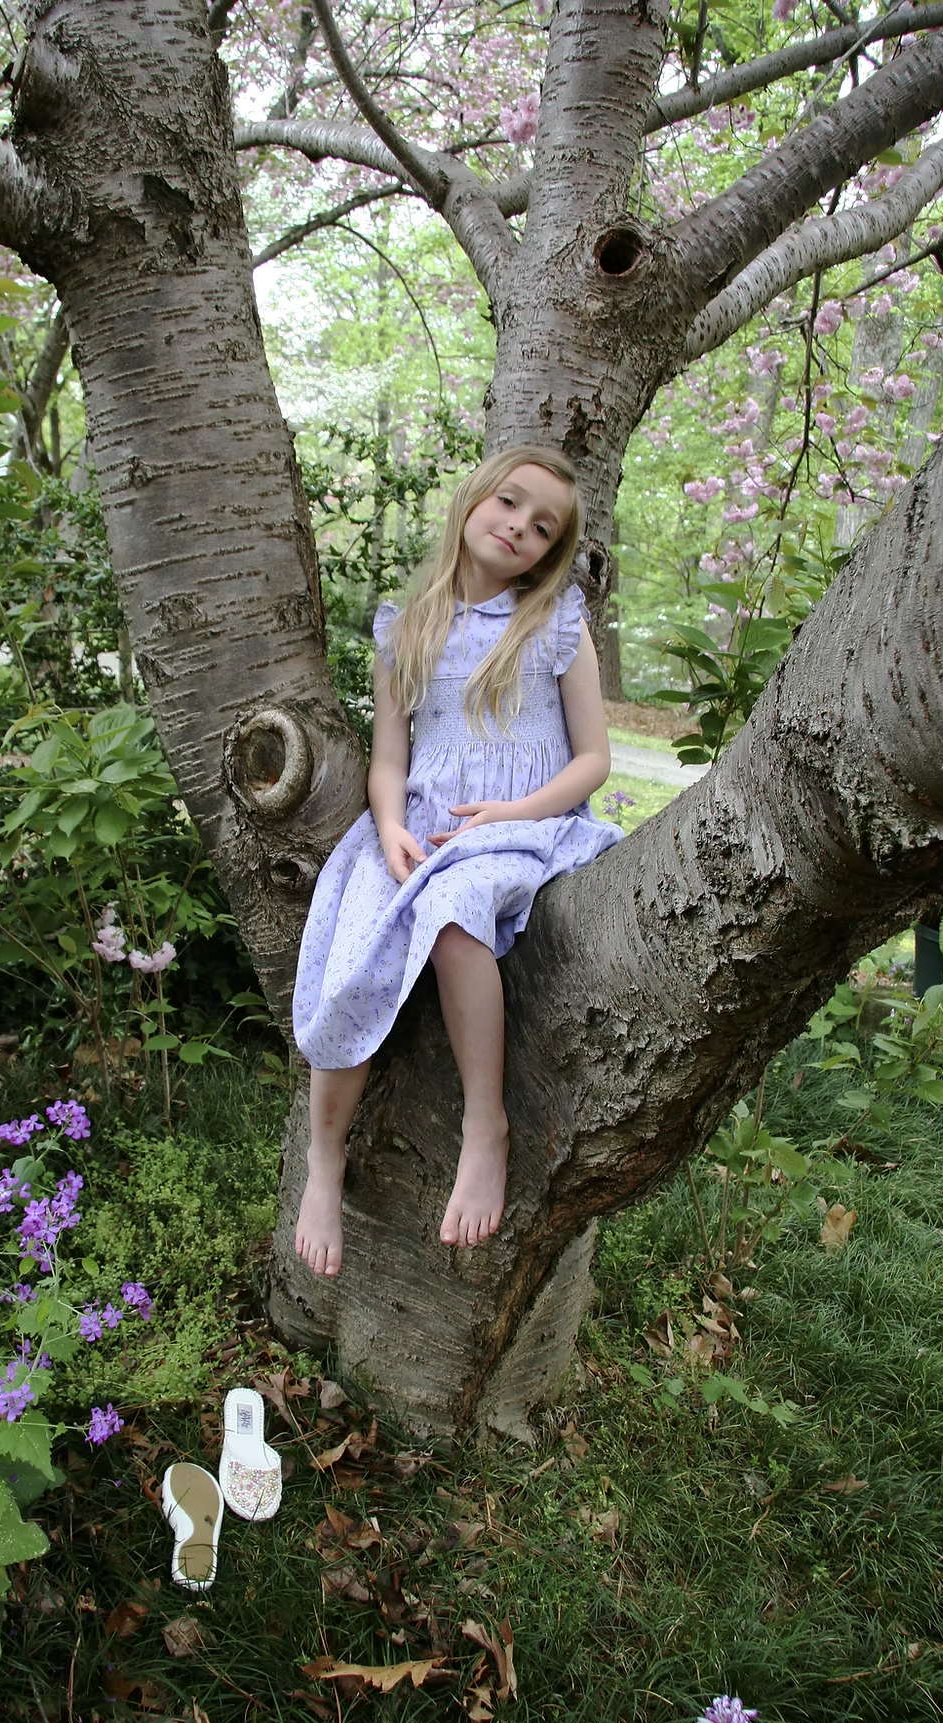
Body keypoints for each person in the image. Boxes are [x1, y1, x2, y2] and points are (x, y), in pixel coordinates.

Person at [292, 445, 623, 1277]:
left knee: (452, 912)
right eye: (509, 503)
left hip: (523, 826)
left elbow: (593, 761)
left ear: (551, 552)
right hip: (422, 830)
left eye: (542, 526)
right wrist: (391, 824)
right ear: (474, 500)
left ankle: (486, 1126)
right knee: (352, 944)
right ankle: (324, 1164)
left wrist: (513, 810)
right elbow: (389, 761)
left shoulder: (555, 625)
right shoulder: (407, 627)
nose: (520, 526)